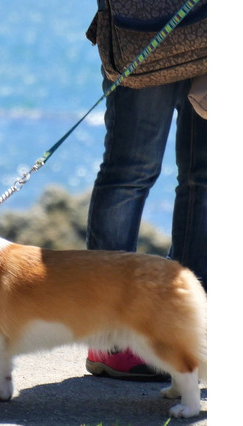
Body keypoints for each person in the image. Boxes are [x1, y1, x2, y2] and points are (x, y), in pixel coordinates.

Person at [83, 69, 207, 380]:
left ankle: (189, 328)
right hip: (148, 31)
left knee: (205, 179)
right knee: (130, 172)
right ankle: (109, 335)